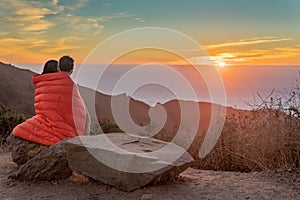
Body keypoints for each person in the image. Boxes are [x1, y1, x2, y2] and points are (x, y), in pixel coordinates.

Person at [10, 57, 89, 165]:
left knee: (22, 129)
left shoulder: (41, 84)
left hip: (45, 119)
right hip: (62, 126)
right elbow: (79, 110)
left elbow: (42, 106)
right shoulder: (69, 84)